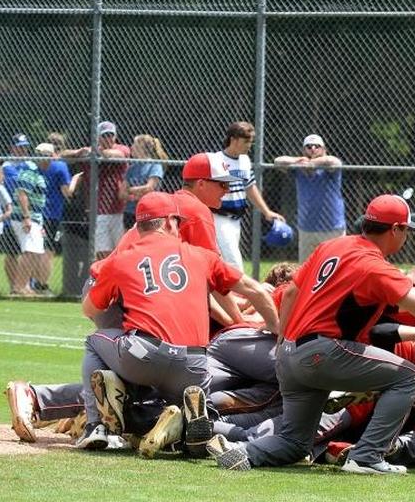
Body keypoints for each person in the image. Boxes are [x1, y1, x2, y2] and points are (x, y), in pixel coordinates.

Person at [212, 194, 415, 475]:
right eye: (406, 230)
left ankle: (240, 451)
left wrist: (284, 337)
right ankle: (367, 457)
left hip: (290, 353)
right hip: (324, 351)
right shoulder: (375, 265)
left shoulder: (332, 245)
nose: (406, 237)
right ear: (395, 229)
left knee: (295, 443)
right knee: (408, 376)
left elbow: (292, 292)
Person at [77, 192, 278, 454]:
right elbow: (258, 292)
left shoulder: (121, 258)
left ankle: (97, 426)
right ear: (170, 222)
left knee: (94, 342)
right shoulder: (199, 255)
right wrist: (277, 330)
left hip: (143, 355)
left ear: (138, 225)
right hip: (193, 365)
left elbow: (90, 308)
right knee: (186, 412)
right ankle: (192, 431)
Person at [213, 121, 285, 269]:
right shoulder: (215, 160)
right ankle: (241, 292)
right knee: (234, 263)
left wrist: (267, 212)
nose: (249, 145)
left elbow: (250, 187)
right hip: (218, 218)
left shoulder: (245, 161)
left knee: (222, 262)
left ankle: (216, 291)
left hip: (235, 221)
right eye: (246, 141)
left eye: (251, 141)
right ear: (233, 139)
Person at [60, 121, 130, 258]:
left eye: (111, 135)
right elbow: (62, 156)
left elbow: (117, 155)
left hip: (120, 210)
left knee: (122, 252)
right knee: (102, 253)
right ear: (98, 137)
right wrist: (78, 152)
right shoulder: (90, 153)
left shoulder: (122, 149)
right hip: (99, 212)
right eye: (104, 136)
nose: (108, 139)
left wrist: (97, 152)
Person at [273, 134, 344, 259]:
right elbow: (277, 161)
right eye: (309, 146)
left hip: (332, 228)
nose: (313, 148)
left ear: (324, 150)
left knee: (334, 268)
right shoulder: (299, 168)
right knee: (306, 268)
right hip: (306, 228)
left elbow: (334, 161)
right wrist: (299, 161)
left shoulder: (330, 168)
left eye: (317, 146)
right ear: (303, 150)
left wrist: (312, 163)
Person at [34, 142, 74, 293]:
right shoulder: (60, 166)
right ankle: (42, 285)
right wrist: (75, 180)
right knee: (48, 250)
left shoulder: (33, 166)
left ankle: (32, 283)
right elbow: (67, 192)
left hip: (36, 212)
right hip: (52, 214)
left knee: (35, 249)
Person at [7, 152, 48, 296]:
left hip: (35, 219)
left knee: (35, 252)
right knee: (30, 251)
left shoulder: (39, 173)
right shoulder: (30, 172)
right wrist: (26, 217)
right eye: (48, 158)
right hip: (24, 218)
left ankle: (25, 287)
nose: (50, 162)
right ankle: (19, 287)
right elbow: (22, 194)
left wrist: (40, 223)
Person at [123, 134, 168, 228]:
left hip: (147, 212)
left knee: (145, 239)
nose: (131, 147)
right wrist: (137, 194)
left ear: (142, 148)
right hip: (130, 212)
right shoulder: (131, 168)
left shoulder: (155, 165)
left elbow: (149, 187)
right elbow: (122, 193)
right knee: (130, 241)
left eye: (134, 145)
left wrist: (130, 191)